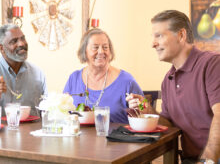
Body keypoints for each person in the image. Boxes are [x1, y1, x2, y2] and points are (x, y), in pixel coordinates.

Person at [126, 10, 220, 163]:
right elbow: (169, 125)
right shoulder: (168, 80)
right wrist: (149, 111)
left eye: (159, 35)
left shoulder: (212, 64)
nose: (153, 44)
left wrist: (208, 160)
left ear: (181, 35)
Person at [63, 28, 143, 124]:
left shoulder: (127, 81)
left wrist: (140, 108)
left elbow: (144, 112)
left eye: (105, 47)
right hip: (79, 137)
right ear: (84, 51)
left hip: (116, 138)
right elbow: (63, 113)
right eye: (95, 47)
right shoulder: (74, 78)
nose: (101, 51)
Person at [0, 24, 47, 121]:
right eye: (14, 41)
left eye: (23, 38)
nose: (21, 44)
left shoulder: (38, 74)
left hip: (34, 134)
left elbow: (46, 113)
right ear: (1, 48)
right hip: (0, 135)